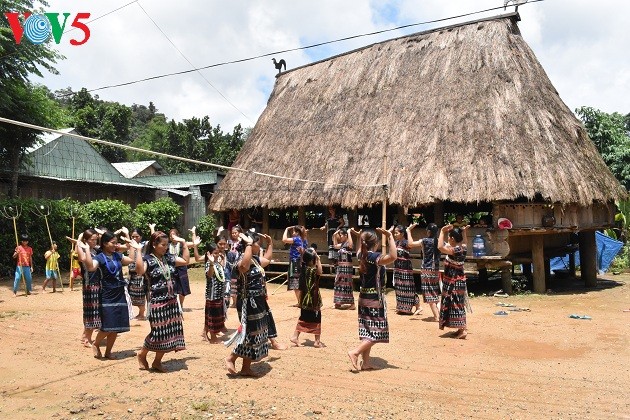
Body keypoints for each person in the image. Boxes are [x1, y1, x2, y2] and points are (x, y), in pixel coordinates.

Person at [78, 231, 143, 359]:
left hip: (119, 292)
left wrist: (132, 246)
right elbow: (91, 267)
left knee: (117, 325)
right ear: (105, 243)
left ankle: (108, 352)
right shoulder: (99, 257)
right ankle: (96, 344)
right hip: (106, 293)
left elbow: (130, 260)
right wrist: (86, 250)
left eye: (116, 242)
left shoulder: (118, 256)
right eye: (113, 243)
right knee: (108, 324)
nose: (115, 245)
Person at [135, 231, 189, 372]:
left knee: (169, 333)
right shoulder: (148, 259)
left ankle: (157, 362)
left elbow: (185, 261)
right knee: (158, 332)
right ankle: (142, 354)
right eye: (163, 245)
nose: (166, 247)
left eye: (167, 245)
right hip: (157, 302)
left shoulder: (169, 258)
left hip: (171, 300)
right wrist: (139, 251)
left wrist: (184, 243)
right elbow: (140, 271)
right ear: (154, 245)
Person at [225, 232, 277, 376]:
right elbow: (244, 267)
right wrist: (248, 244)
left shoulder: (254, 259)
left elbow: (267, 259)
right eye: (257, 242)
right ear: (249, 243)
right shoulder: (239, 258)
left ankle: (246, 368)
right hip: (248, 301)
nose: (259, 245)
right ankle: (231, 358)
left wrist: (270, 243)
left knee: (256, 333)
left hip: (258, 300)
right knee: (250, 333)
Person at [347, 228, 397, 372]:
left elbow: (359, 247)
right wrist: (390, 236)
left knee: (367, 331)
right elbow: (393, 256)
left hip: (363, 297)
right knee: (378, 331)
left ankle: (366, 362)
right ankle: (355, 352)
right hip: (374, 298)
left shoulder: (361, 255)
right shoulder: (374, 257)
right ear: (375, 243)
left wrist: (358, 237)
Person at [437, 224, 469, 339]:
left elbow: (440, 247)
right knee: (456, 304)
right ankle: (460, 328)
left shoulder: (455, 250)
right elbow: (465, 242)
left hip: (454, 282)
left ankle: (463, 329)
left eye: (448, 237)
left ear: (452, 239)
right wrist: (464, 232)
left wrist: (442, 231)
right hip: (457, 281)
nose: (447, 239)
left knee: (456, 305)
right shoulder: (463, 248)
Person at [290, 247, 325, 348]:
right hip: (313, 299)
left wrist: (304, 254)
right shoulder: (312, 270)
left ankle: (295, 336)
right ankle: (317, 341)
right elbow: (320, 271)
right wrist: (318, 259)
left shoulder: (304, 268)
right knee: (317, 318)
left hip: (305, 299)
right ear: (312, 259)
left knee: (304, 317)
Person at [409, 223, 441, 321]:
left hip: (426, 270)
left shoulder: (425, 241)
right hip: (435, 270)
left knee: (429, 294)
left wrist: (408, 231)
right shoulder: (439, 241)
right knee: (435, 292)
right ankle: (440, 314)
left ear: (429, 231)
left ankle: (437, 316)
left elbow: (410, 244)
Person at [390, 225, 423, 315]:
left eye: (397, 233)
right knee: (399, 287)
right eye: (394, 233)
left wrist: (409, 231)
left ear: (402, 234)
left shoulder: (405, 242)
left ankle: (418, 307)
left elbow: (410, 245)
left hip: (405, 268)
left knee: (409, 287)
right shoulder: (396, 243)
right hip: (397, 268)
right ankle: (402, 307)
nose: (395, 234)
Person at [202, 243, 228, 343]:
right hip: (212, 295)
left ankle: (205, 332)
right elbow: (209, 275)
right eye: (215, 253)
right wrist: (212, 263)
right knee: (213, 316)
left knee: (211, 315)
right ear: (209, 254)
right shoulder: (209, 264)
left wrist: (220, 259)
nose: (217, 255)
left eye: (218, 253)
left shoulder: (218, 263)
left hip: (219, 294)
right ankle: (213, 337)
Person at [168, 228, 195, 311]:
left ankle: (181, 305)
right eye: (170, 235)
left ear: (178, 235)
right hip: (171, 269)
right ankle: (173, 305)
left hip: (181, 269)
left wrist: (193, 232)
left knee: (182, 288)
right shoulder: (167, 245)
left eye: (174, 235)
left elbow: (194, 243)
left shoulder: (183, 244)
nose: (172, 237)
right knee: (171, 287)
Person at [282, 225, 308, 305]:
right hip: (302, 262)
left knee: (295, 283)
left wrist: (286, 229)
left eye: (293, 231)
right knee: (301, 282)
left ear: (297, 232)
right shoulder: (304, 240)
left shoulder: (296, 239)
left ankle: (300, 302)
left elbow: (284, 240)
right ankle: (302, 301)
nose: (292, 233)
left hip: (295, 262)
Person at [127, 228, 148, 320]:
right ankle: (140, 313)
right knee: (132, 294)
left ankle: (142, 313)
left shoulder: (144, 245)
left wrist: (152, 229)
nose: (135, 238)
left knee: (140, 294)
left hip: (140, 274)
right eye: (133, 236)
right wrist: (127, 234)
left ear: (141, 237)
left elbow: (154, 239)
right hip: (132, 274)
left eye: (137, 236)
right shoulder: (131, 245)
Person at [333, 228, 355, 310]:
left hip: (347, 267)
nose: (340, 237)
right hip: (340, 267)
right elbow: (335, 246)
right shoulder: (342, 244)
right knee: (338, 283)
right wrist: (335, 235)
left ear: (346, 236)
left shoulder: (348, 244)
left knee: (347, 284)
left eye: (341, 235)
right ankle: (338, 302)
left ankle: (352, 304)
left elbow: (351, 245)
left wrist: (349, 232)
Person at [319, 206, 344, 270]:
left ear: (334, 209)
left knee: (336, 245)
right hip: (330, 233)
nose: (330, 210)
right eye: (329, 209)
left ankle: (337, 260)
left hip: (336, 232)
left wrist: (338, 228)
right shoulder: (328, 218)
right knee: (331, 245)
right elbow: (326, 226)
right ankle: (333, 261)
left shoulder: (338, 216)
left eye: (331, 209)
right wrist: (323, 227)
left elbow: (343, 223)